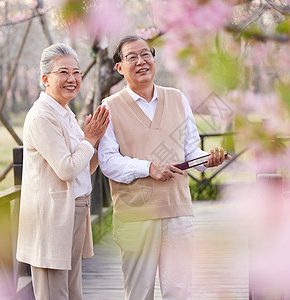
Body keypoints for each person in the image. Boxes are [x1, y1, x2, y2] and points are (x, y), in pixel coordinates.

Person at [98, 35, 230, 300]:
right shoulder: (109, 108)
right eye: (131, 57)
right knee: (138, 293)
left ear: (154, 59)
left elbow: (191, 150)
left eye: (146, 54)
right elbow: (108, 161)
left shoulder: (177, 99)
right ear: (119, 68)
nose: (141, 61)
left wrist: (208, 160)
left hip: (177, 211)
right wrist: (149, 168)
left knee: (179, 291)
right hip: (136, 216)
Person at [16, 43, 109, 300]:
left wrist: (97, 144)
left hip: (75, 210)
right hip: (51, 217)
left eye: (77, 72)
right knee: (54, 292)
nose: (72, 79)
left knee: (72, 292)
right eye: (63, 72)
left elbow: (82, 169)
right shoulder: (42, 116)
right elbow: (67, 169)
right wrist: (89, 140)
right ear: (45, 78)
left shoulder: (66, 112)